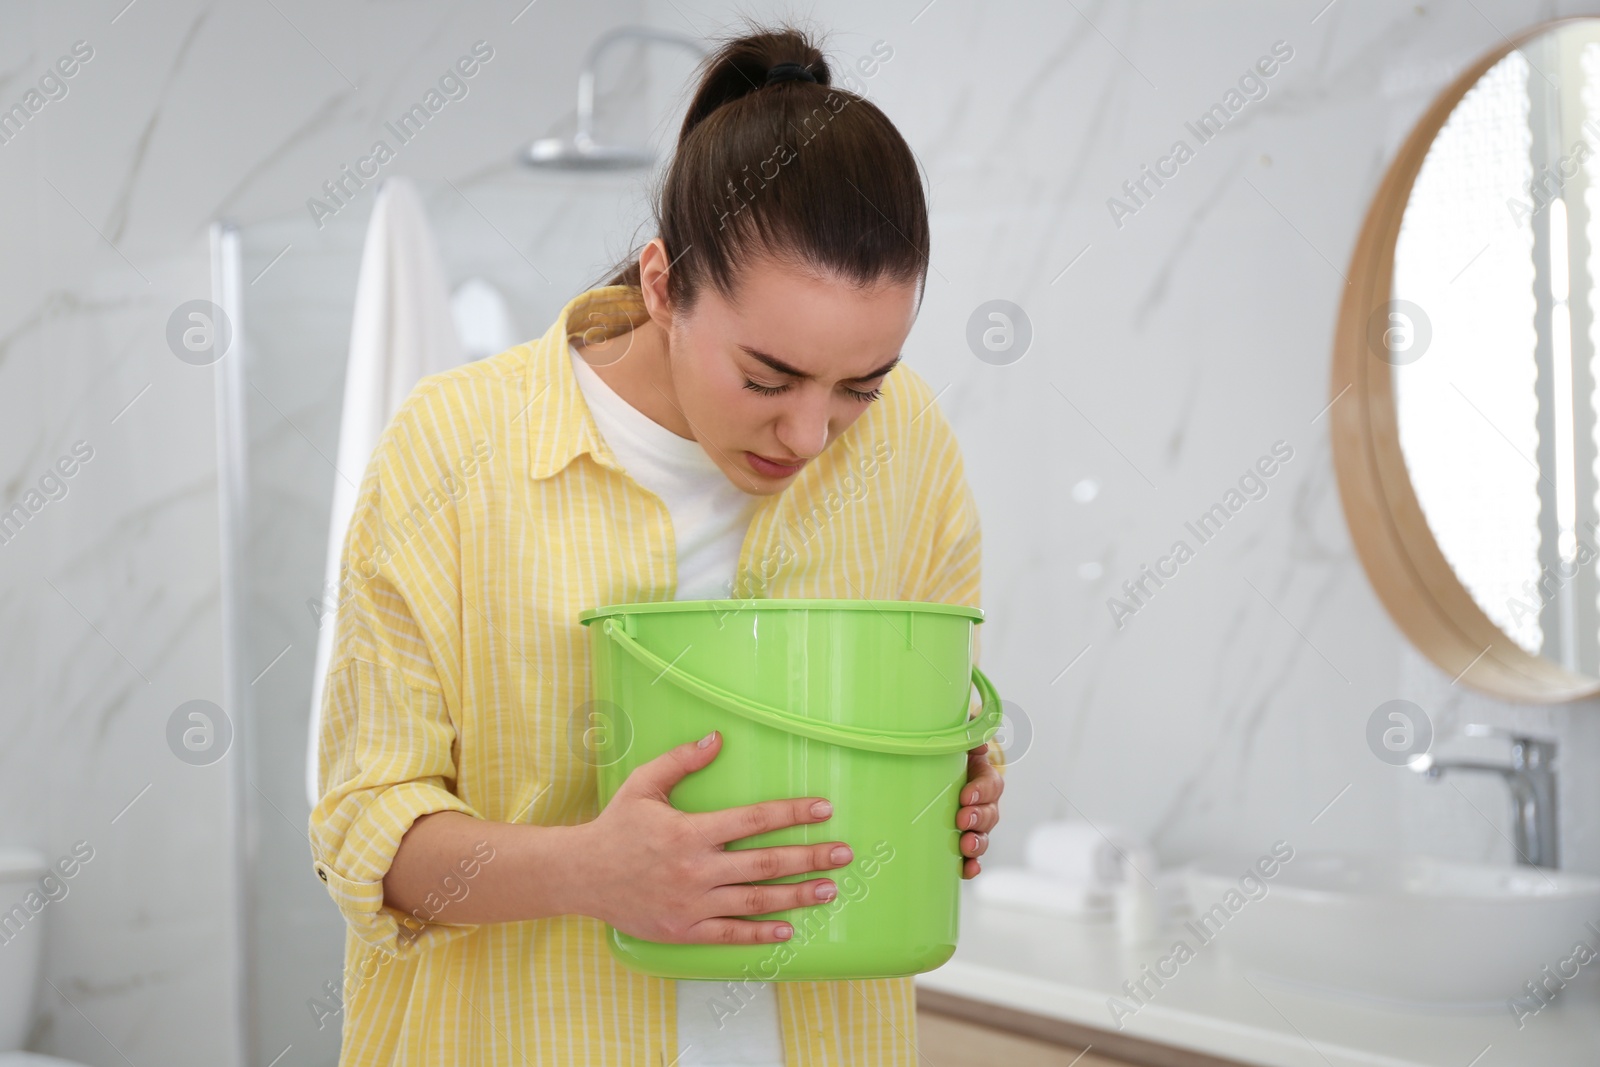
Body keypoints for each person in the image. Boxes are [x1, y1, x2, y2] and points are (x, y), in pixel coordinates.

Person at [308, 19, 1005, 1067]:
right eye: (767, 378)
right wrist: (591, 868)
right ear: (664, 285)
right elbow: (363, 828)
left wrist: (960, 775)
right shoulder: (455, 447)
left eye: (859, 383)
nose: (810, 434)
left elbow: (933, 714)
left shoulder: (909, 445)